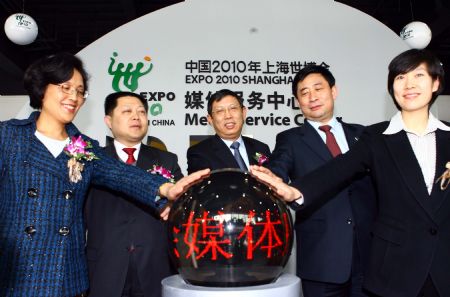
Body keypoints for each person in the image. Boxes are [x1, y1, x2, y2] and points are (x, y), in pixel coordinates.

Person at [0, 53, 208, 297]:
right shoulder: (9, 136)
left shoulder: (84, 148)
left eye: (80, 91)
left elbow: (120, 173)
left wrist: (164, 189)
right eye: (65, 87)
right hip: (16, 272)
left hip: (65, 276)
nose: (74, 98)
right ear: (42, 88)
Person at [251, 49, 450, 297]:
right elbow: (336, 170)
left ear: (436, 83)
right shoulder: (376, 138)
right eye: (400, 77)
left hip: (423, 262)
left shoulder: (362, 132)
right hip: (369, 265)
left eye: (418, 75)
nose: (409, 84)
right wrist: (293, 190)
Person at [268, 65, 377, 297]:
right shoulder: (290, 139)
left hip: (370, 256)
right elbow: (277, 170)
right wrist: (270, 178)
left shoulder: (363, 135)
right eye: (304, 93)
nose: (312, 97)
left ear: (333, 91)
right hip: (322, 259)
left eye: (318, 88)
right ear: (297, 101)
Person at [84, 92, 183, 297]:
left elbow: (182, 208)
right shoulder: (93, 160)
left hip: (155, 267)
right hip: (104, 268)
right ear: (108, 121)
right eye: (127, 111)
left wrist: (175, 206)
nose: (136, 117)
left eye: (141, 112)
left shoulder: (167, 160)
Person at [187, 89, 271, 173]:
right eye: (220, 111)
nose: (228, 116)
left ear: (243, 113)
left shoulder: (261, 148)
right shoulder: (199, 153)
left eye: (233, 108)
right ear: (210, 119)